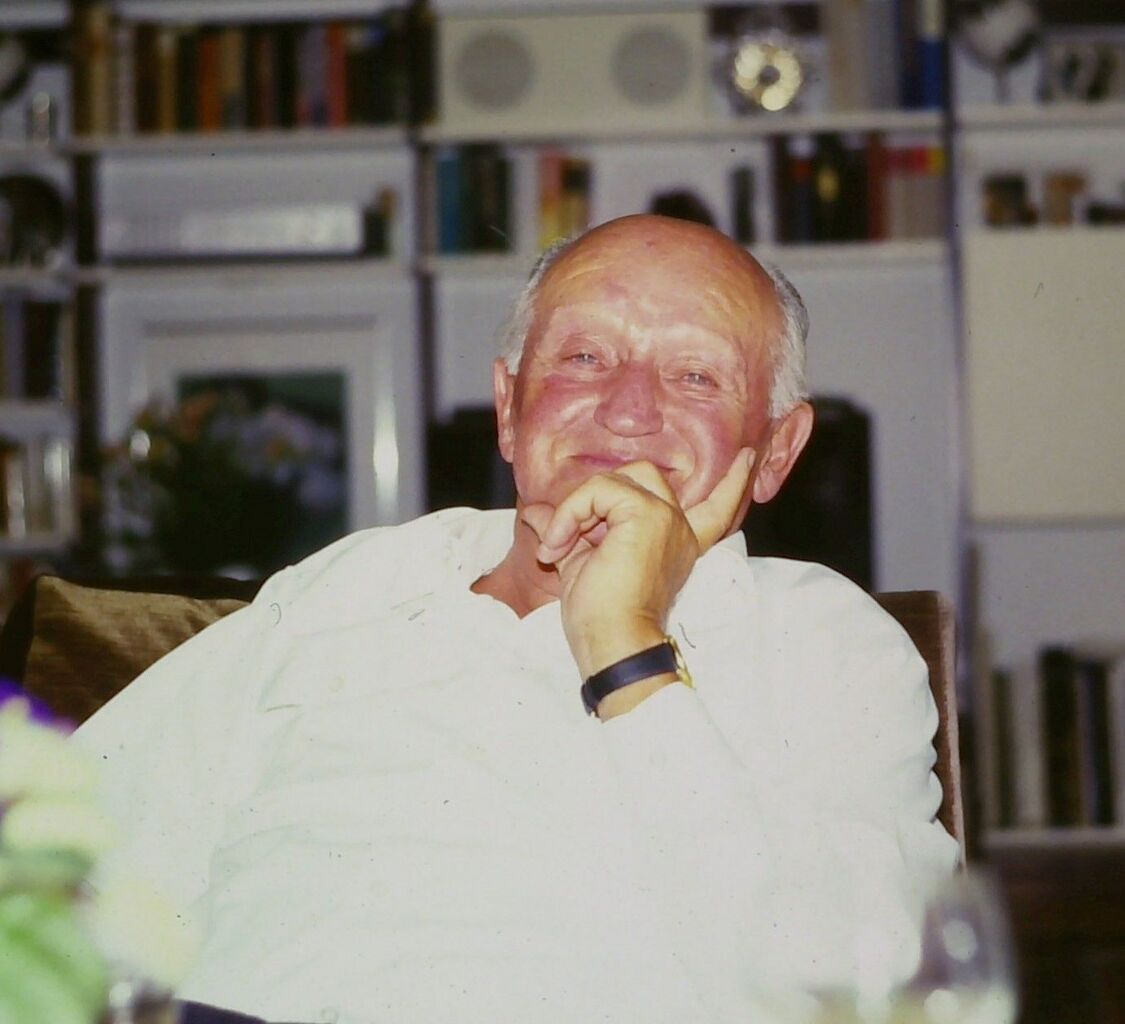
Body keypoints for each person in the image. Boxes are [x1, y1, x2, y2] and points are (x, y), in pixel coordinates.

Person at [76, 214, 959, 1024]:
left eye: (695, 375)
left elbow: (864, 1000)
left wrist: (624, 644)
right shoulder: (352, 584)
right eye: (584, 357)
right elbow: (58, 861)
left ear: (774, 452)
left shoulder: (827, 645)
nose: (628, 409)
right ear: (507, 408)